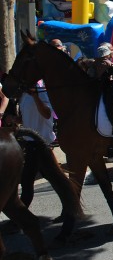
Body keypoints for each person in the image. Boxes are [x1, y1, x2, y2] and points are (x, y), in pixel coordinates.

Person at [17, 79, 55, 207]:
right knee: (53, 178)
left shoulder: (41, 91)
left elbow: (47, 113)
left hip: (41, 143)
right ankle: (69, 207)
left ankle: (21, 216)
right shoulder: (24, 95)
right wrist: (14, 119)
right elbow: (26, 117)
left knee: (27, 180)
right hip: (30, 143)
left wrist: (35, 95)